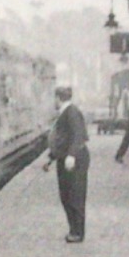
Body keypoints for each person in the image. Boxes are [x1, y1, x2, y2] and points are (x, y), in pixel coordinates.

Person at [42, 86, 90, 243]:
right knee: (66, 196)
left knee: (75, 196)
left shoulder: (71, 112)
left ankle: (78, 232)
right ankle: (74, 229)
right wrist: (51, 158)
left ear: (58, 98)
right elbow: (62, 139)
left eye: (54, 98)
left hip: (74, 160)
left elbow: (78, 134)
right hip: (66, 158)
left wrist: (71, 155)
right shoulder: (66, 112)